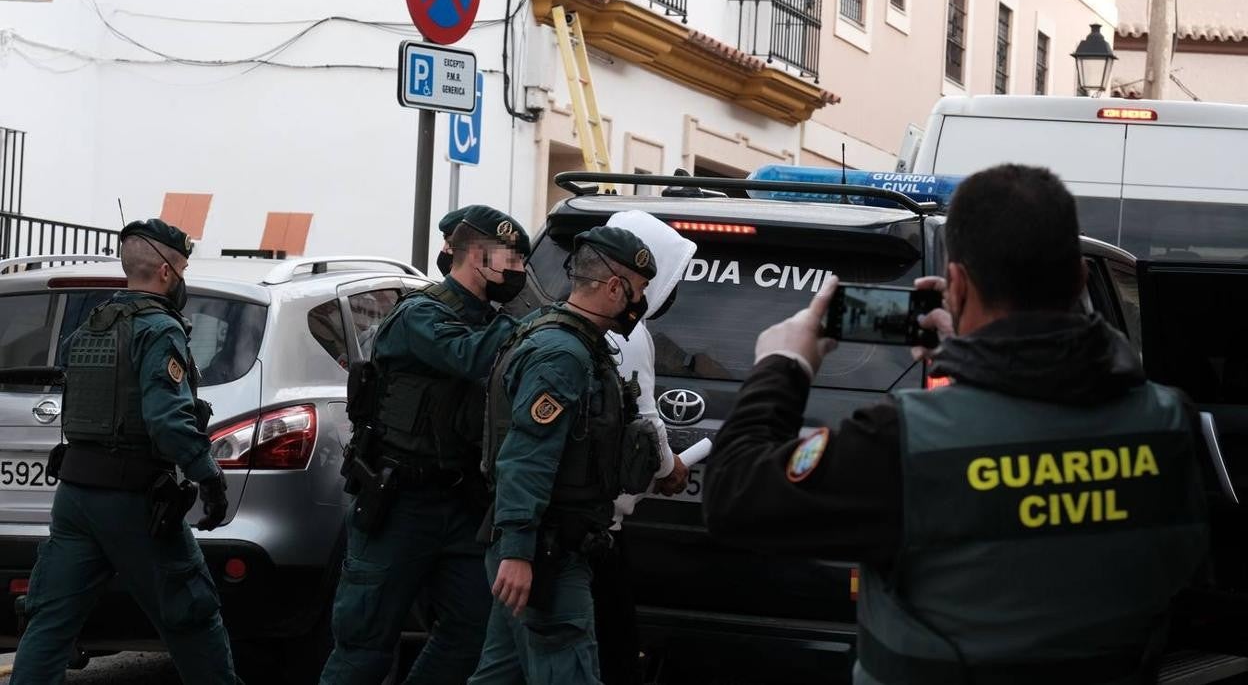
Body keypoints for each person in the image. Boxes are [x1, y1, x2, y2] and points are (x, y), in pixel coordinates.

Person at [703, 164, 1210, 684]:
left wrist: (785, 364)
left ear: (959, 285)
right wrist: (969, 364)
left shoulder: (903, 442)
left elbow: (734, 494)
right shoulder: (1171, 423)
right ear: (1081, 279)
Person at [12, 219, 237, 685]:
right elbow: (166, 418)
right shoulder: (158, 330)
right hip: (134, 499)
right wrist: (208, 475)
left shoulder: (93, 325)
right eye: (183, 268)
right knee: (192, 614)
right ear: (166, 272)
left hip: (75, 497)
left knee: (50, 626)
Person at [319, 205, 531, 685]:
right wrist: (521, 318)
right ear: (478, 257)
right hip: (399, 503)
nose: (520, 274)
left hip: (460, 503)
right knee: (365, 645)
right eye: (514, 262)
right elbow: (470, 356)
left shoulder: (486, 318)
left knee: (474, 630)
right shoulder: (421, 314)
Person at [470, 226, 662, 684]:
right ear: (615, 287)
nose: (640, 303)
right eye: (638, 291)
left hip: (543, 544)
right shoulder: (563, 355)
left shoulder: (570, 341)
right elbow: (525, 456)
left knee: (500, 673)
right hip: (546, 551)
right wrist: (519, 552)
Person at [596, 210, 696, 685]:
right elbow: (646, 422)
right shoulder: (630, 335)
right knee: (609, 655)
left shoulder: (560, 320)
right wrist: (670, 467)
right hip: (595, 532)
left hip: (552, 527)